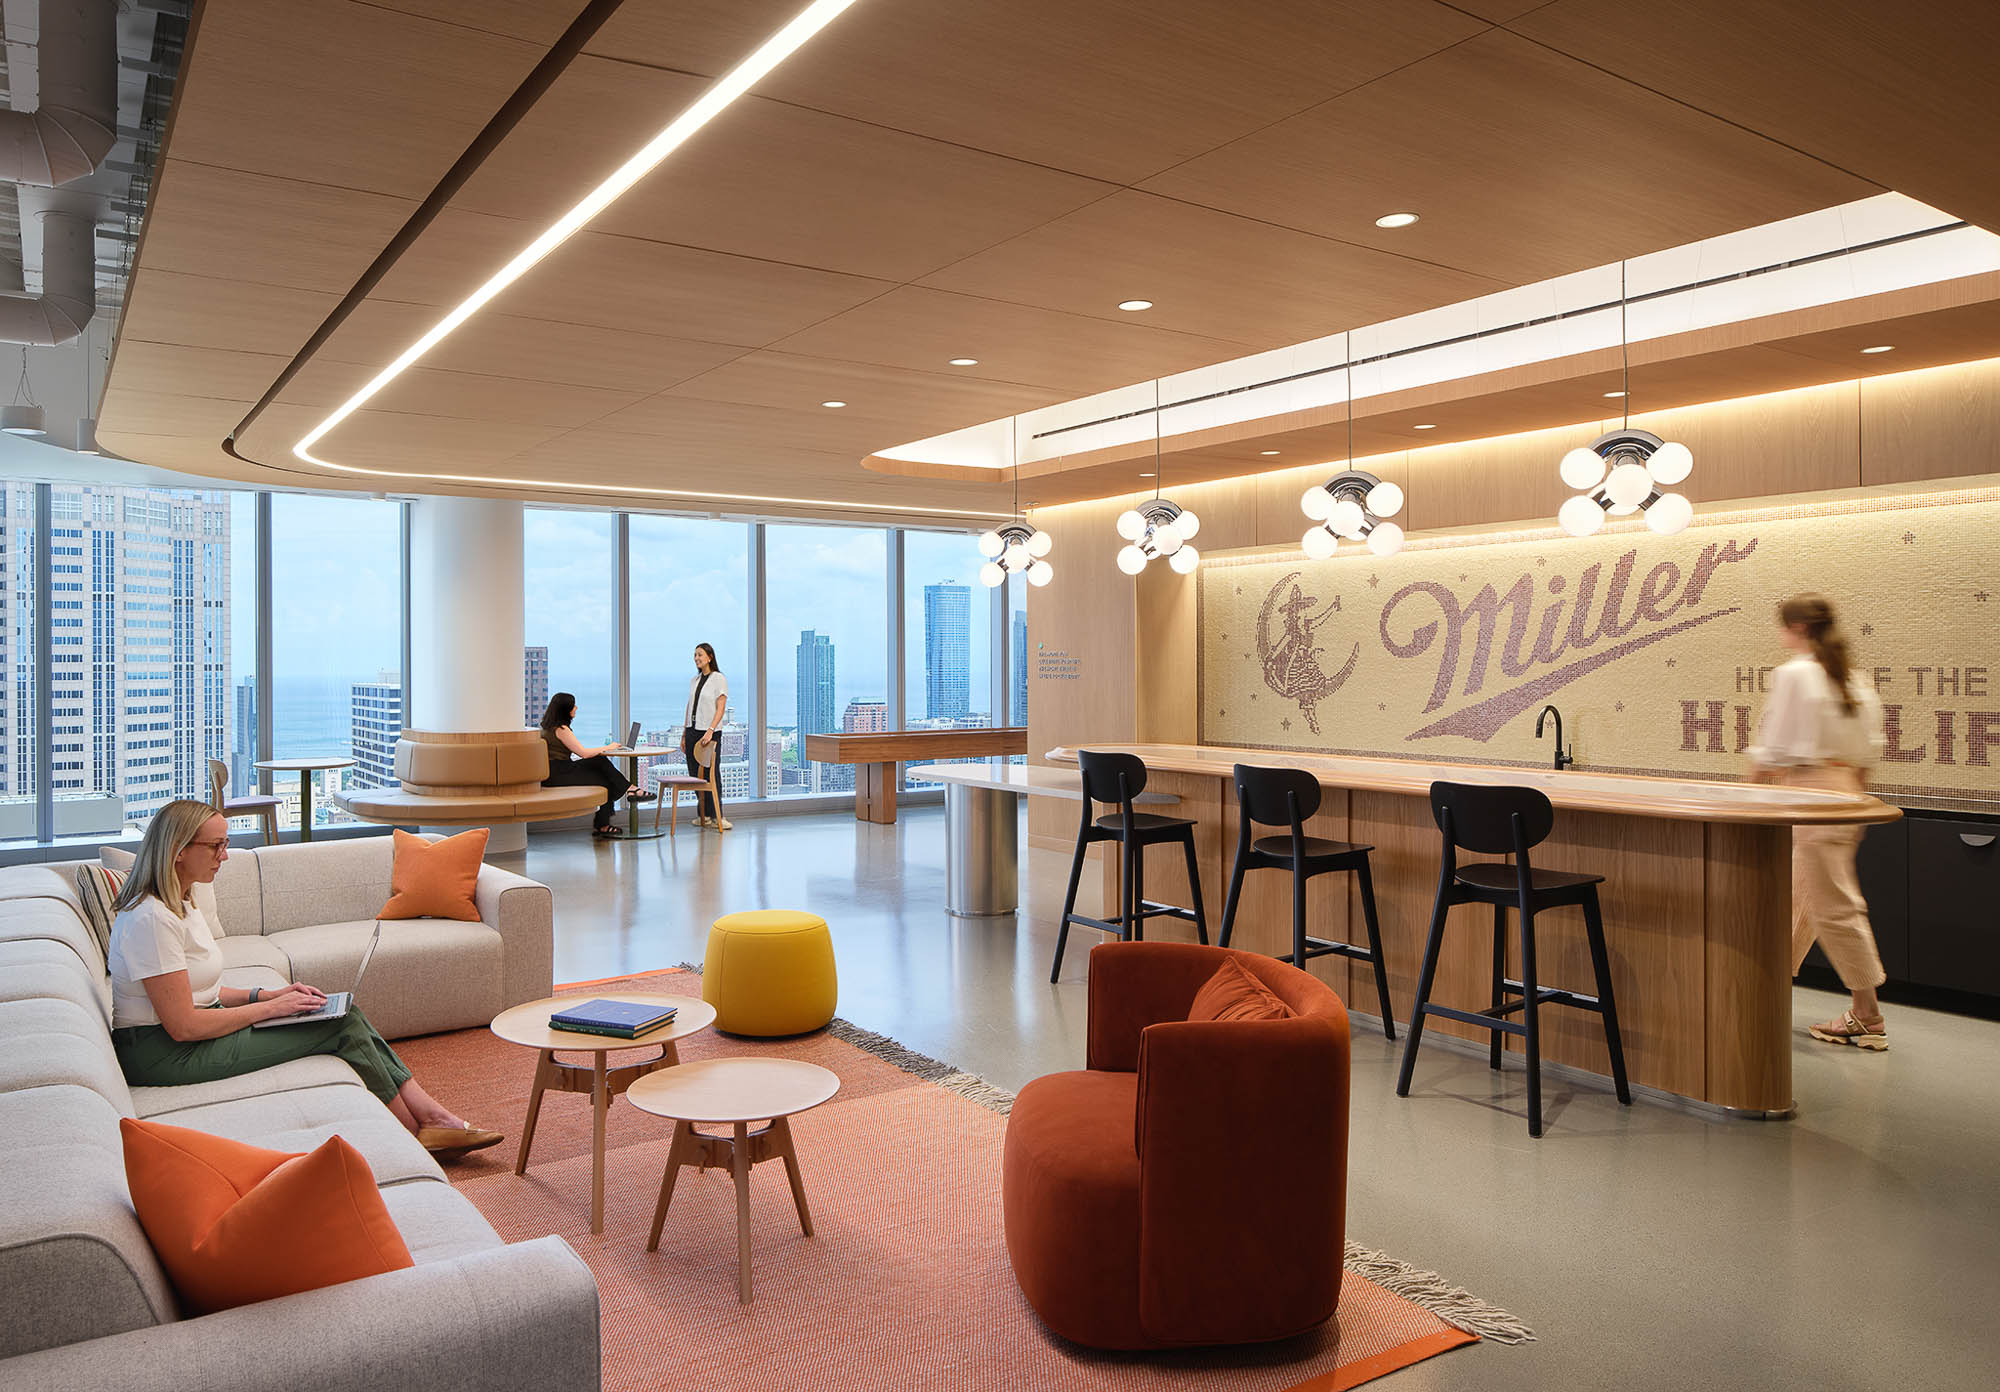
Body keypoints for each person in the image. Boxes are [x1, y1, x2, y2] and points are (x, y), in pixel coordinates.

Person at [107, 800, 501, 1155]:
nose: (224, 856)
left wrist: (266, 995)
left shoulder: (181, 901)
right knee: (339, 1026)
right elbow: (184, 1024)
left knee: (342, 1011)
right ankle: (419, 1133)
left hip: (182, 1041)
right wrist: (274, 1009)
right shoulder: (150, 919)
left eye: (225, 844)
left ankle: (434, 1120)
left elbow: (201, 992)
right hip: (162, 1055)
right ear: (178, 851)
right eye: (216, 846)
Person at [1747, 593, 1889, 1051]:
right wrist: (1855, 801)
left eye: (1783, 627)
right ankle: (1764, 990)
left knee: (1833, 907)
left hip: (1809, 792)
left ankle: (1867, 1014)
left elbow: (1771, 750)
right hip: (1848, 792)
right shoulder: (1854, 678)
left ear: (1798, 629)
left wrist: (1747, 795)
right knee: (1801, 899)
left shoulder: (1795, 674)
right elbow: (1869, 750)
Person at [540, 691, 638, 837]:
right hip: (559, 773)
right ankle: (629, 789)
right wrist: (608, 747)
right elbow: (583, 753)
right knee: (600, 762)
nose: (576, 708)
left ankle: (605, 822)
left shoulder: (547, 727)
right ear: (565, 710)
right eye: (573, 706)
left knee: (603, 776)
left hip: (554, 772)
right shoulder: (561, 729)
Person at [683, 642, 732, 831]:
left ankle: (718, 815)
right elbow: (689, 707)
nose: (696, 658)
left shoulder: (718, 678)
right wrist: (684, 733)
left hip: (709, 731)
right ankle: (704, 815)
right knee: (695, 774)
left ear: (710, 657)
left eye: (700, 655)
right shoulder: (694, 681)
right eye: (695, 655)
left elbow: (721, 707)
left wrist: (711, 729)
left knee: (712, 774)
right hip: (692, 730)